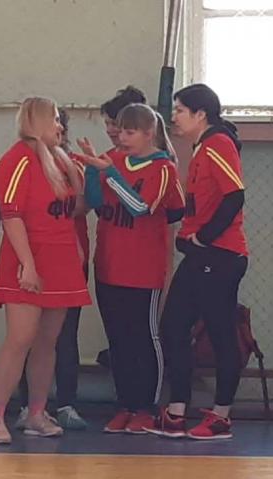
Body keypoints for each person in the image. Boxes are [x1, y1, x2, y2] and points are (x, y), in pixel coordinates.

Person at [0, 97, 90, 444]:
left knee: (48, 342)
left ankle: (36, 413)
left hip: (60, 260)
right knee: (20, 339)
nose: (60, 126)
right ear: (39, 121)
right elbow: (11, 214)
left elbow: (71, 211)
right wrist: (28, 264)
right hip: (28, 259)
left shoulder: (61, 161)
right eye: (55, 120)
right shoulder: (17, 159)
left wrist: (74, 247)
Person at [75, 103, 184, 434]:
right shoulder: (111, 159)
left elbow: (139, 207)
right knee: (118, 339)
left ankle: (147, 406)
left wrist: (109, 173)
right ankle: (125, 404)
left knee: (144, 338)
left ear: (149, 133)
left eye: (129, 131)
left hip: (143, 271)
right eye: (119, 130)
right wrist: (92, 172)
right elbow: (96, 203)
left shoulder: (163, 167)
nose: (121, 137)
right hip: (109, 266)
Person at [148, 84, 249, 441]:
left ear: (200, 114)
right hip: (201, 254)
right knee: (174, 326)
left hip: (219, 255)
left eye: (179, 110)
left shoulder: (218, 143)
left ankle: (221, 415)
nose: (174, 117)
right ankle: (177, 411)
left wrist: (205, 237)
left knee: (220, 333)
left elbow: (234, 195)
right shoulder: (201, 147)